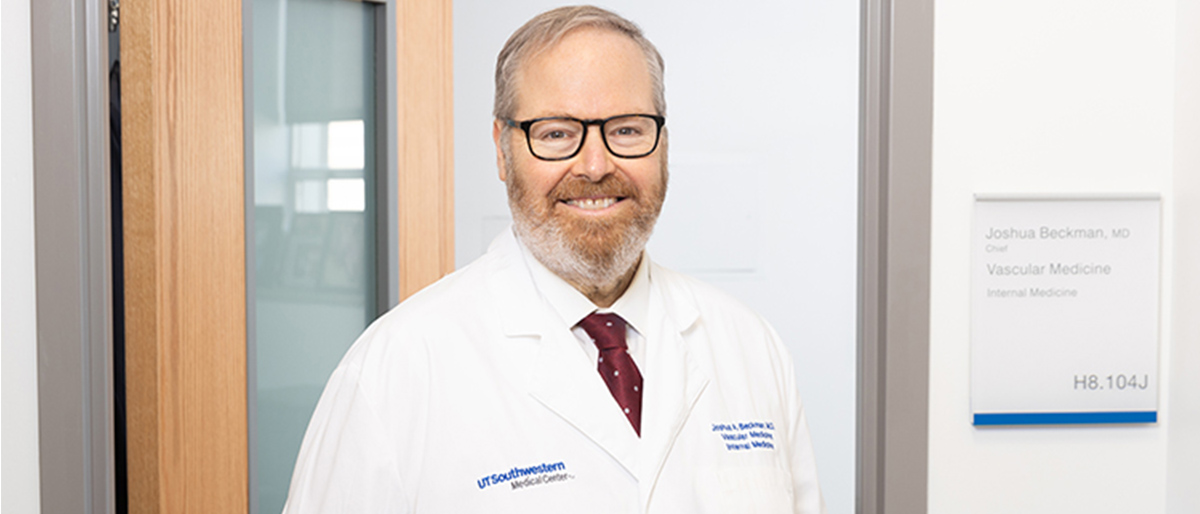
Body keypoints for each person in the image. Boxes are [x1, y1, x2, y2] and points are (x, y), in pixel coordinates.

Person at [283, 5, 826, 513]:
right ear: (502, 150)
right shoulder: (394, 370)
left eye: (626, 130)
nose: (594, 165)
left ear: (662, 144)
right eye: (557, 134)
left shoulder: (750, 346)